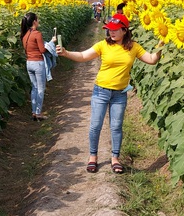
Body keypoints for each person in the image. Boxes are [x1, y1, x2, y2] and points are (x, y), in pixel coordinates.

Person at [56, 13, 164, 174]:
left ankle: (115, 158)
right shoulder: (103, 45)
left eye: (114, 30)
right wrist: (66, 53)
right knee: (95, 125)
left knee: (116, 127)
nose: (111, 32)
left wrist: (161, 44)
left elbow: (151, 59)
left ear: (125, 30)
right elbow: (84, 56)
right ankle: (93, 156)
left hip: (120, 94)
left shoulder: (134, 47)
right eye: (109, 29)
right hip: (101, 91)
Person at [20, 12, 56, 121]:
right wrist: (51, 42)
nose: (38, 21)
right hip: (38, 63)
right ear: (34, 21)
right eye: (38, 19)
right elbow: (42, 50)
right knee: (41, 88)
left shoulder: (25, 35)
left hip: (29, 63)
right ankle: (38, 113)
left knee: (34, 88)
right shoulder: (37, 34)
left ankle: (33, 112)